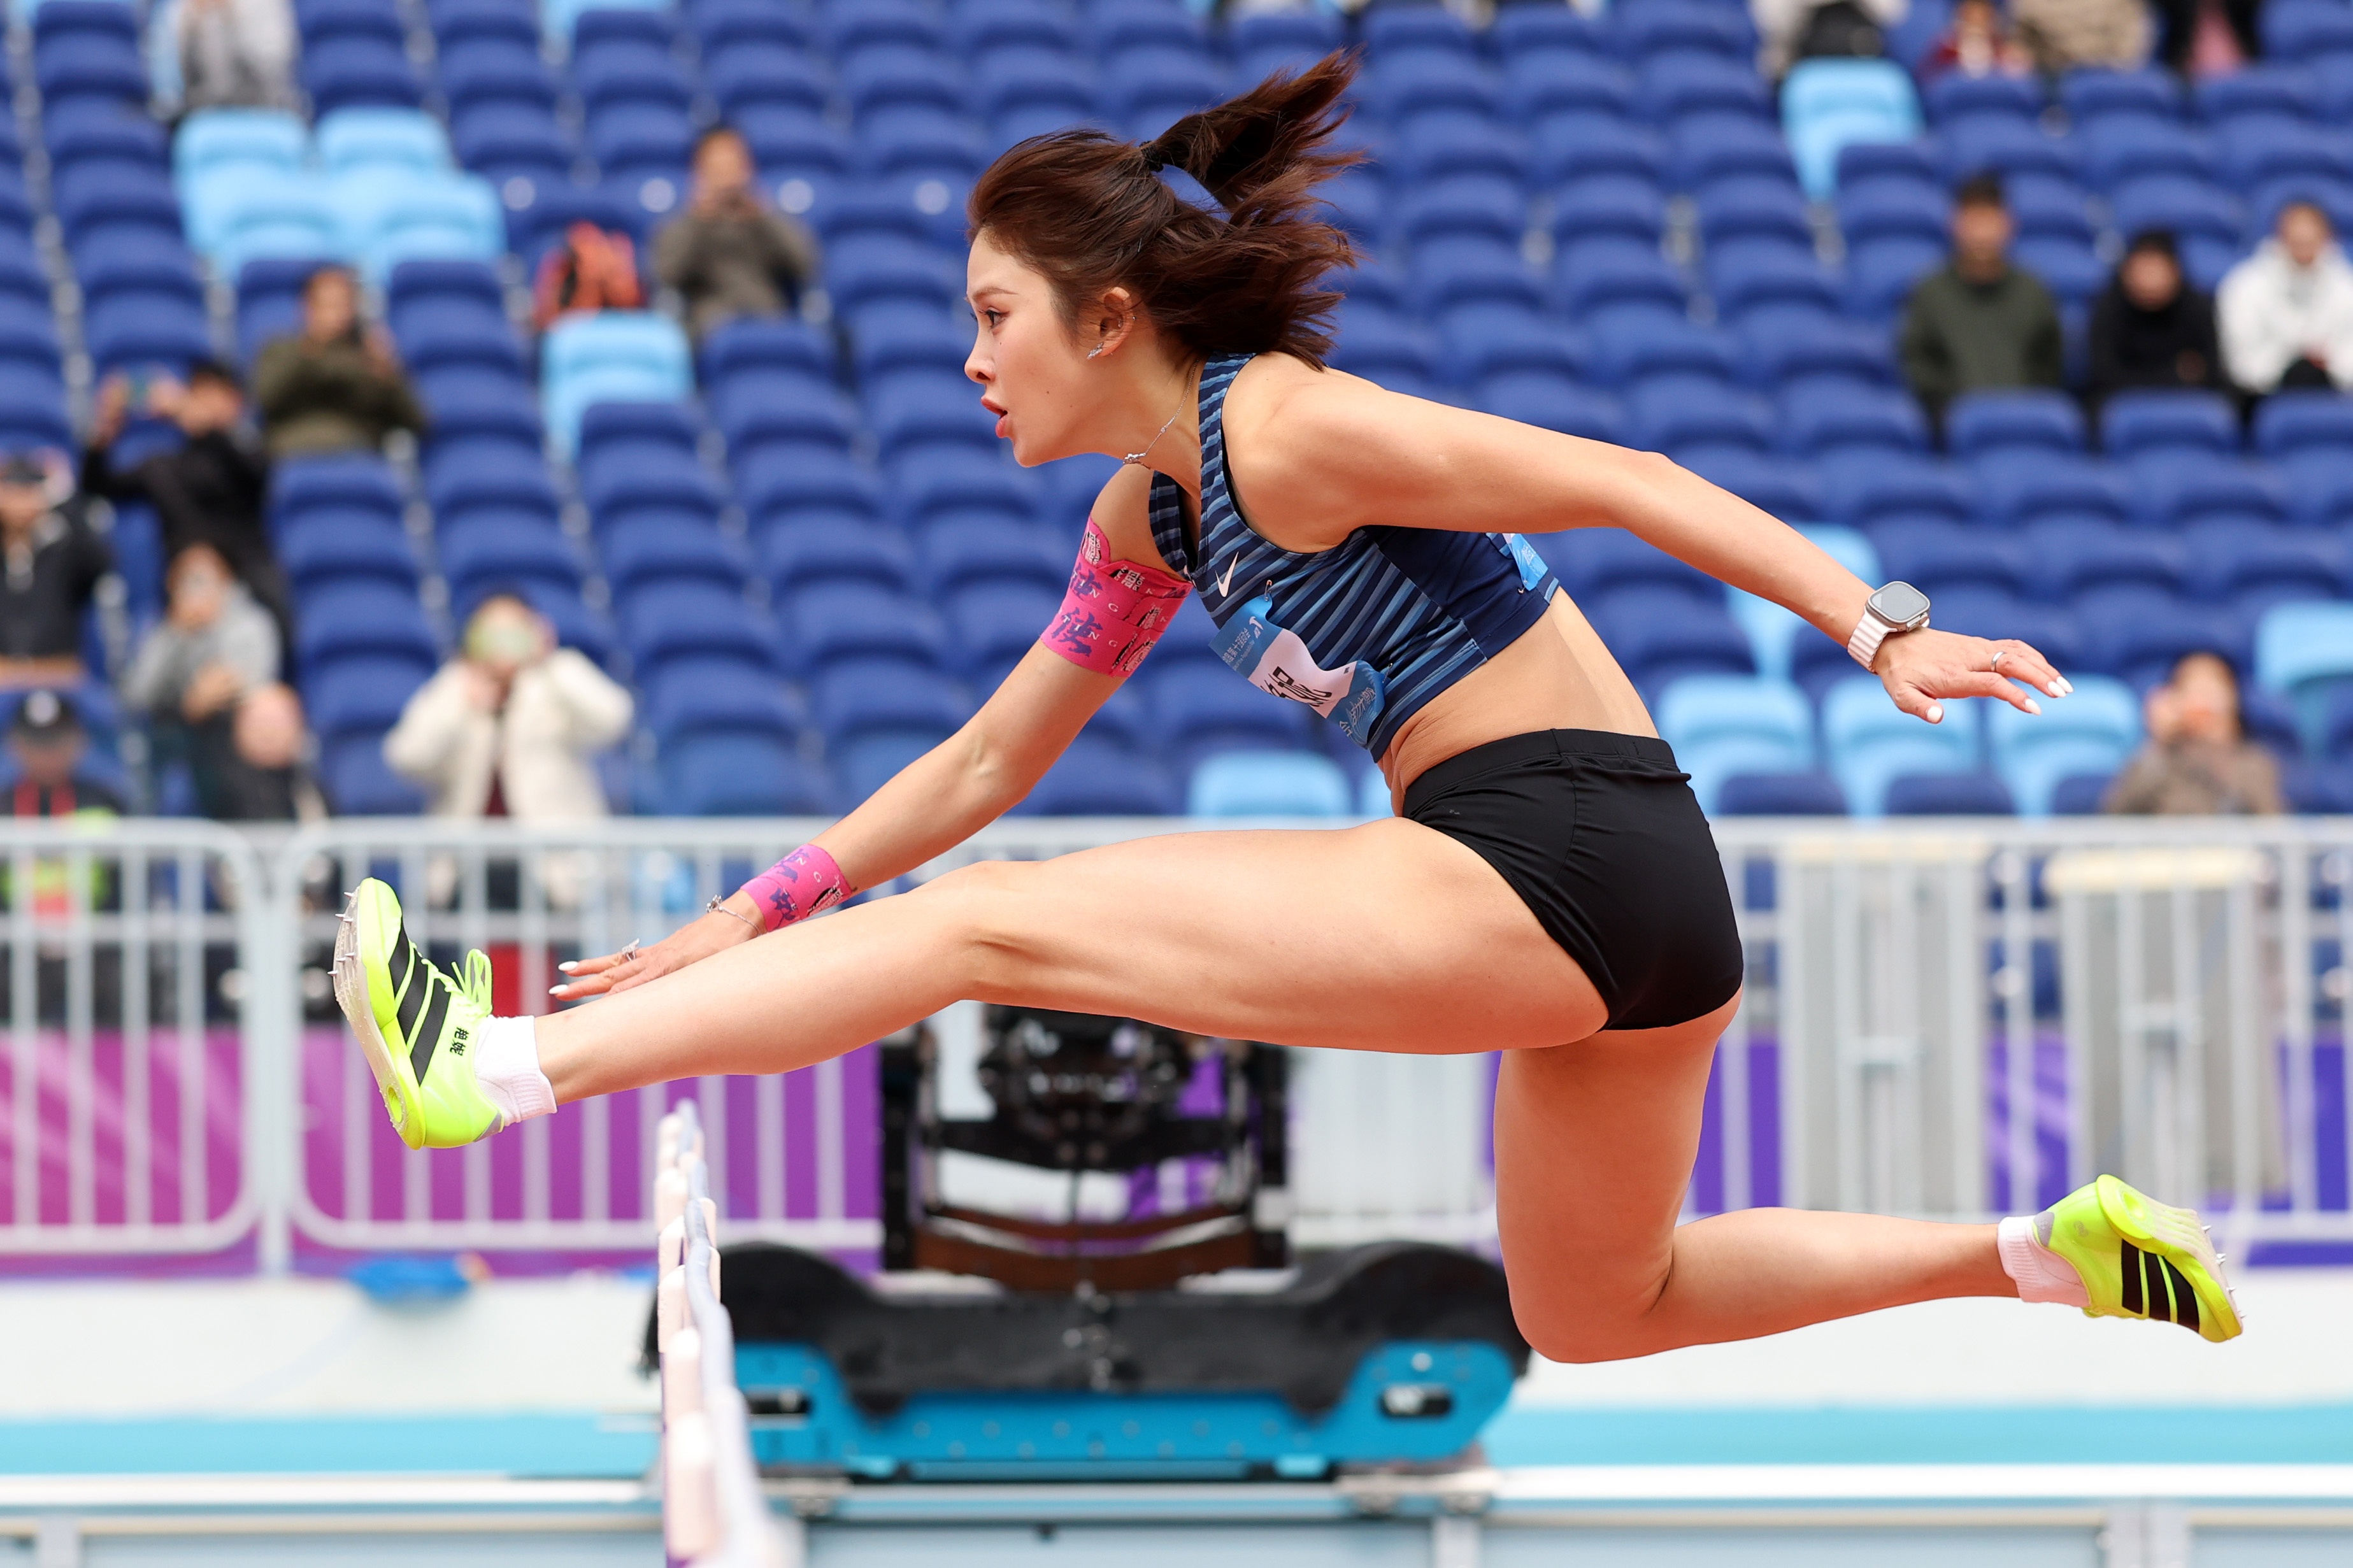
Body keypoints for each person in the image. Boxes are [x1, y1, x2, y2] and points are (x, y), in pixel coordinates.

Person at [334, 56, 2242, 1367]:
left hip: (1555, 843)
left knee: (989, 924)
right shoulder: (1149, 516)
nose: (968, 356)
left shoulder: (1279, 429)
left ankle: (495, 1071)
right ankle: (2034, 1255)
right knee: (1595, 1306)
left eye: (992, 312)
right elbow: (989, 754)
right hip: (1631, 903)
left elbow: (1626, 474)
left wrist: (1876, 627)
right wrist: (750, 912)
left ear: (1106, 317)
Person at [83, 359, 287, 638]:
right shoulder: (164, 466)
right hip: (185, 603)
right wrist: (105, 432)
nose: (205, 405)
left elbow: (257, 473)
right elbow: (98, 487)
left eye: (216, 395)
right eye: (198, 394)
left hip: (248, 592)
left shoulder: (248, 452)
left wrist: (200, 422)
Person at [122, 543, 305, 820]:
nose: (197, 591)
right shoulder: (163, 632)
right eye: (187, 582)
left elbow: (249, 683)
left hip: (235, 734)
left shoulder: (250, 623)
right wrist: (177, 636)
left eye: (204, 580)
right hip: (180, 735)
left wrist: (207, 697)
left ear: (226, 582)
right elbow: (137, 696)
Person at [1899, 173, 2066, 431]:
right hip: (1955, 432)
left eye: (1990, 219)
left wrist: (2028, 406)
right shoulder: (1930, 293)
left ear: (2008, 224)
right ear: (1956, 224)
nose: (1982, 233)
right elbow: (1919, 362)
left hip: (2024, 427)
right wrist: (1949, 410)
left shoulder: (2033, 291)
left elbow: (2049, 361)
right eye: (1974, 220)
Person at [652, 126, 822, 344]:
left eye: (733, 163)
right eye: (717, 165)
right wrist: (700, 217)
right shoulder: (681, 225)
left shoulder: (765, 218)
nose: (726, 173)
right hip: (710, 328)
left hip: (768, 319)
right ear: (699, 171)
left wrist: (761, 214)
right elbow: (667, 274)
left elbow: (805, 264)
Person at [252, 266, 429, 459]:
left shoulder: (370, 355)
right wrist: (310, 353)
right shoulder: (281, 350)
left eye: (342, 304)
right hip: (294, 454)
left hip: (359, 454)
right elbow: (265, 401)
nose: (334, 314)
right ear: (306, 307)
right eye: (326, 304)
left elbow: (416, 421)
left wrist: (388, 373)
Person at [2103, 652, 2284, 816]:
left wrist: (2220, 741)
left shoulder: (2254, 764)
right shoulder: (2158, 761)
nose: (2205, 699)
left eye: (2214, 687)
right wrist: (2158, 742)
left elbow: (2272, 826)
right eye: (2192, 688)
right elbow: (2117, 817)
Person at [2218, 200, 2353, 395]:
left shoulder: (2347, 286)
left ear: (2326, 238)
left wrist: (2328, 363)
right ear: (2280, 237)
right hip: (2262, 397)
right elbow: (2242, 362)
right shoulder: (2244, 285)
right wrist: (2290, 362)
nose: (2303, 248)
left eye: (2310, 241)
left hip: (2340, 396)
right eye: (2297, 241)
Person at [0, 451, 110, 690]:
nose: (20, 502)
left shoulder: (63, 550)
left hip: (57, 677)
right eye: (12, 492)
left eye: (28, 491)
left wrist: (65, 499)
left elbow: (101, 562)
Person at [2087, 230, 2228, 411]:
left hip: (2187, 403)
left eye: (2158, 268)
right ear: (2126, 271)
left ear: (2176, 271)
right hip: (2123, 402)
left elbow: (2210, 372)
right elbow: (2105, 375)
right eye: (2144, 269)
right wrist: (2175, 374)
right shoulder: (2108, 308)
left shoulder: (2198, 308)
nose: (2150, 279)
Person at [5, 688, 122, 818]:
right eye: (36, 742)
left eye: (56, 742)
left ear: (78, 741)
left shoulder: (104, 803)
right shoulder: (4, 805)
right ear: (15, 745)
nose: (46, 754)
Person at [175, 0, 295, 112]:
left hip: (264, 108)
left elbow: (272, 74)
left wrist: (230, 17)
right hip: (203, 111)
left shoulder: (264, 6)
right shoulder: (184, 9)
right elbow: (178, 80)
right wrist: (195, 23)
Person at [2010, 0, 2153, 73]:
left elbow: (2131, 40)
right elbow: (2022, 40)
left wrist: (2119, 65)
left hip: (2108, 71)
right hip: (2049, 73)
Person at [1919, 0, 2034, 80]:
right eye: (1971, 14)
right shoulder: (1945, 48)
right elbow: (1928, 80)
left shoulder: (2003, 50)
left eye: (1982, 15)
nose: (1976, 19)